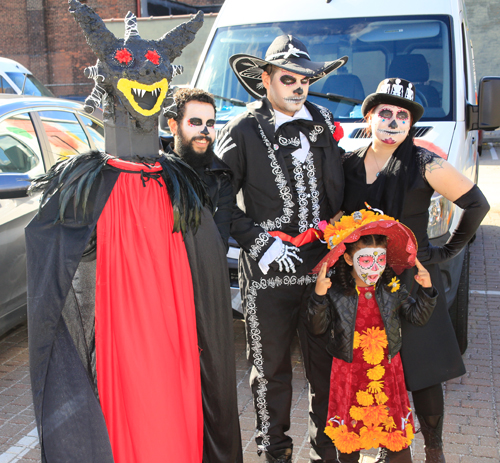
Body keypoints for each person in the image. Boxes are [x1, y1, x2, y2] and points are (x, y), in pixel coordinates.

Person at [26, 2, 242, 462]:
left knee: (173, 384)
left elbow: (204, 255)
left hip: (177, 313)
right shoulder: (92, 179)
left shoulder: (177, 180)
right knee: (131, 386)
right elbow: (53, 246)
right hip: (122, 315)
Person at [340, 77, 490, 462]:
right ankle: (393, 443)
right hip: (365, 281)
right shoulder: (348, 164)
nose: (392, 121)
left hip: (411, 278)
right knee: (377, 364)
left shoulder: (425, 163)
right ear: (369, 117)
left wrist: (445, 252)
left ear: (410, 124)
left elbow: (477, 205)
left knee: (420, 366)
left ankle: (434, 450)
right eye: (384, 113)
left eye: (401, 115)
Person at [218, 34, 348, 463]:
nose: (298, 87)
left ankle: (324, 451)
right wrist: (257, 241)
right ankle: (275, 453)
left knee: (326, 366)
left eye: (305, 79)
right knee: (270, 371)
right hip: (269, 270)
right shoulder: (241, 128)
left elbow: (339, 187)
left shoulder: (324, 122)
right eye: (288, 78)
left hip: (322, 272)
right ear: (266, 79)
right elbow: (215, 196)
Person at [308, 210, 438, 463]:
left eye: (380, 260)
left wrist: (427, 290)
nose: (374, 267)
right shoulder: (336, 292)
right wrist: (319, 297)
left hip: (387, 371)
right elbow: (317, 328)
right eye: (366, 260)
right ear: (347, 259)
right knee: (349, 438)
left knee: (394, 435)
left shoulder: (392, 289)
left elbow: (417, 317)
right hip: (349, 372)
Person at [167, 87, 234, 250]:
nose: (205, 131)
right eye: (195, 122)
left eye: (210, 124)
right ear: (174, 126)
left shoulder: (220, 179)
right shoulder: (153, 172)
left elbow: (219, 246)